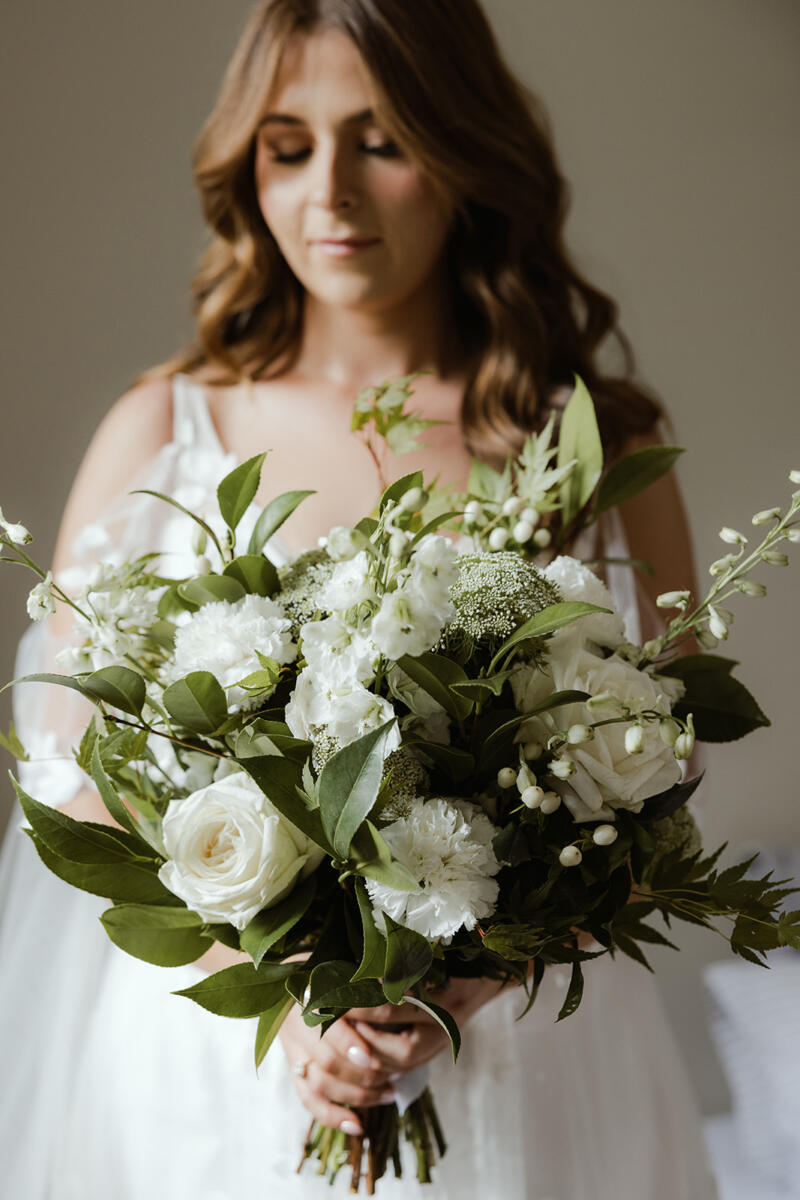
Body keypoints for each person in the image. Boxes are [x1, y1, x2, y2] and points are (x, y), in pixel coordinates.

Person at [0, 1, 719, 1196]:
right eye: (287, 146)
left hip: (524, 1063)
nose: (327, 192)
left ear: (463, 154)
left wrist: (456, 999)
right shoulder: (164, 433)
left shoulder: (592, 446)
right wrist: (291, 1004)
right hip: (213, 1070)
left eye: (379, 141)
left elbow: (662, 776)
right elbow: (69, 768)